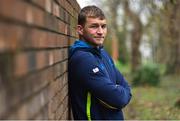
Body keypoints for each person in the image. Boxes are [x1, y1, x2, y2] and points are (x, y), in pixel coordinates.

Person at [68, 5, 132, 120]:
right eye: (94, 26)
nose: (100, 32)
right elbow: (118, 98)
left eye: (103, 26)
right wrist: (119, 90)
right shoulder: (82, 59)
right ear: (80, 29)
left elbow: (125, 85)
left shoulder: (103, 53)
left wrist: (121, 91)